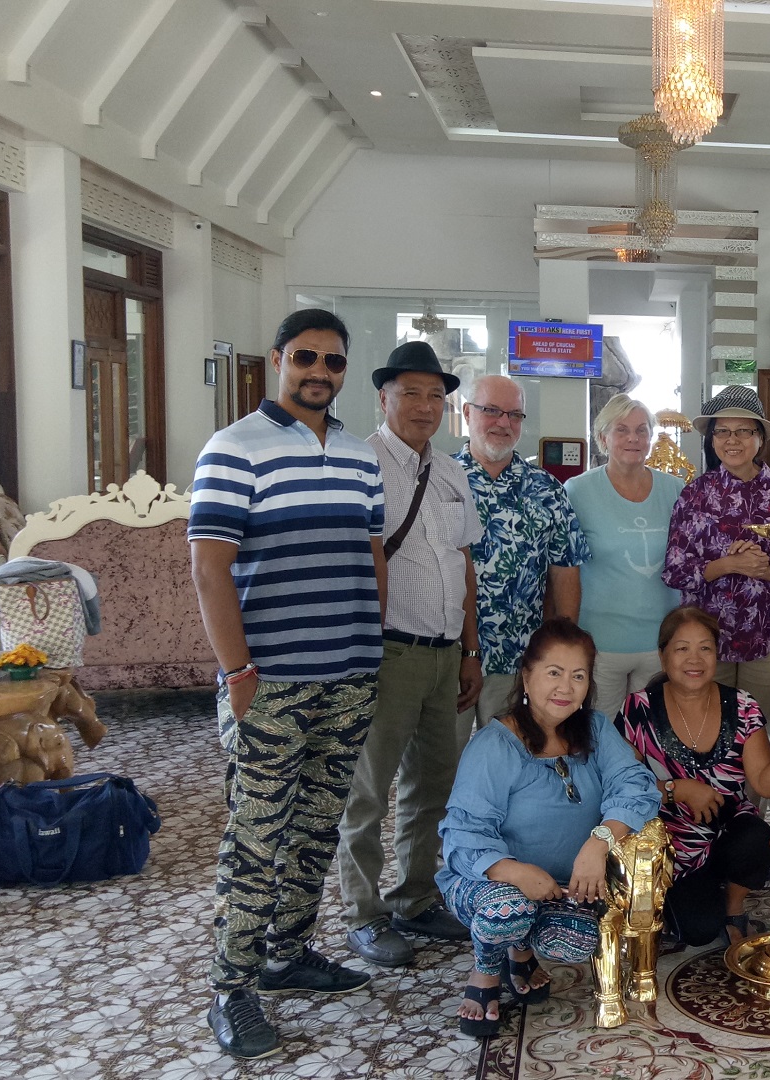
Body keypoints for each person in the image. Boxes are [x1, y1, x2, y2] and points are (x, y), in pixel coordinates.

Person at [189, 308, 386, 1061]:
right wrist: (237, 671)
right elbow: (209, 569)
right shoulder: (233, 449)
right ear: (278, 360)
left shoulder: (359, 455)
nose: (320, 373)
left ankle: (289, 952)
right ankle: (231, 988)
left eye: (334, 362)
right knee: (256, 833)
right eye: (306, 358)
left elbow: (372, 554)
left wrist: (371, 643)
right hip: (267, 682)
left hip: (349, 673)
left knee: (317, 825)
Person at [335, 342, 486, 969]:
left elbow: (464, 562)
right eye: (411, 393)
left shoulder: (451, 470)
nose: (424, 406)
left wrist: (471, 649)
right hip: (386, 652)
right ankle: (362, 914)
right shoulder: (359, 463)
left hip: (445, 650)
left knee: (434, 786)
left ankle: (416, 895)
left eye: (434, 394)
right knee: (369, 790)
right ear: (383, 397)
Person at [437, 619, 661, 1038]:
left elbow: (636, 784)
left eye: (578, 676)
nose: (566, 687)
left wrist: (601, 840)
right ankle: (485, 974)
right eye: (553, 673)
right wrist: (514, 872)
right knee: (506, 911)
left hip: (565, 884)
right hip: (489, 881)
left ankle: (521, 954)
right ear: (527, 675)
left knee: (573, 942)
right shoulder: (494, 744)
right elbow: (464, 832)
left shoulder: (593, 729)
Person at [615, 607, 770, 947]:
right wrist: (676, 789)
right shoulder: (638, 709)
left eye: (705, 648)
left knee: (758, 838)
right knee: (699, 930)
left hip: (727, 829)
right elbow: (623, 787)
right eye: (682, 649)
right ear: (663, 657)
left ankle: (734, 906)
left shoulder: (742, 706)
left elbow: (767, 783)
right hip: (670, 843)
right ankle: (693, 894)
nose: (695, 659)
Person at [457, 374, 590, 724]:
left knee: (513, 763)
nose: (504, 423)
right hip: (446, 658)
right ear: (466, 412)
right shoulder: (440, 479)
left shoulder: (548, 490)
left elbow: (565, 572)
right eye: (492, 411)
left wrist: (560, 654)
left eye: (514, 415)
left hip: (517, 660)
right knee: (440, 770)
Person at [661, 387, 770, 715]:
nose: (732, 440)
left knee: (756, 727)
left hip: (765, 634)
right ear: (712, 438)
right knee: (704, 724)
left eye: (744, 431)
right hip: (704, 639)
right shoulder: (695, 494)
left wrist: (762, 567)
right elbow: (674, 570)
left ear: (760, 438)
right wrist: (728, 564)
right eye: (722, 431)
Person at [565, 394, 686, 703]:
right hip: (600, 641)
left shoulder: (674, 490)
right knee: (599, 733)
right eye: (622, 429)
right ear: (603, 437)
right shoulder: (577, 491)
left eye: (642, 429)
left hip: (660, 639)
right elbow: (564, 566)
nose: (633, 438)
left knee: (650, 737)